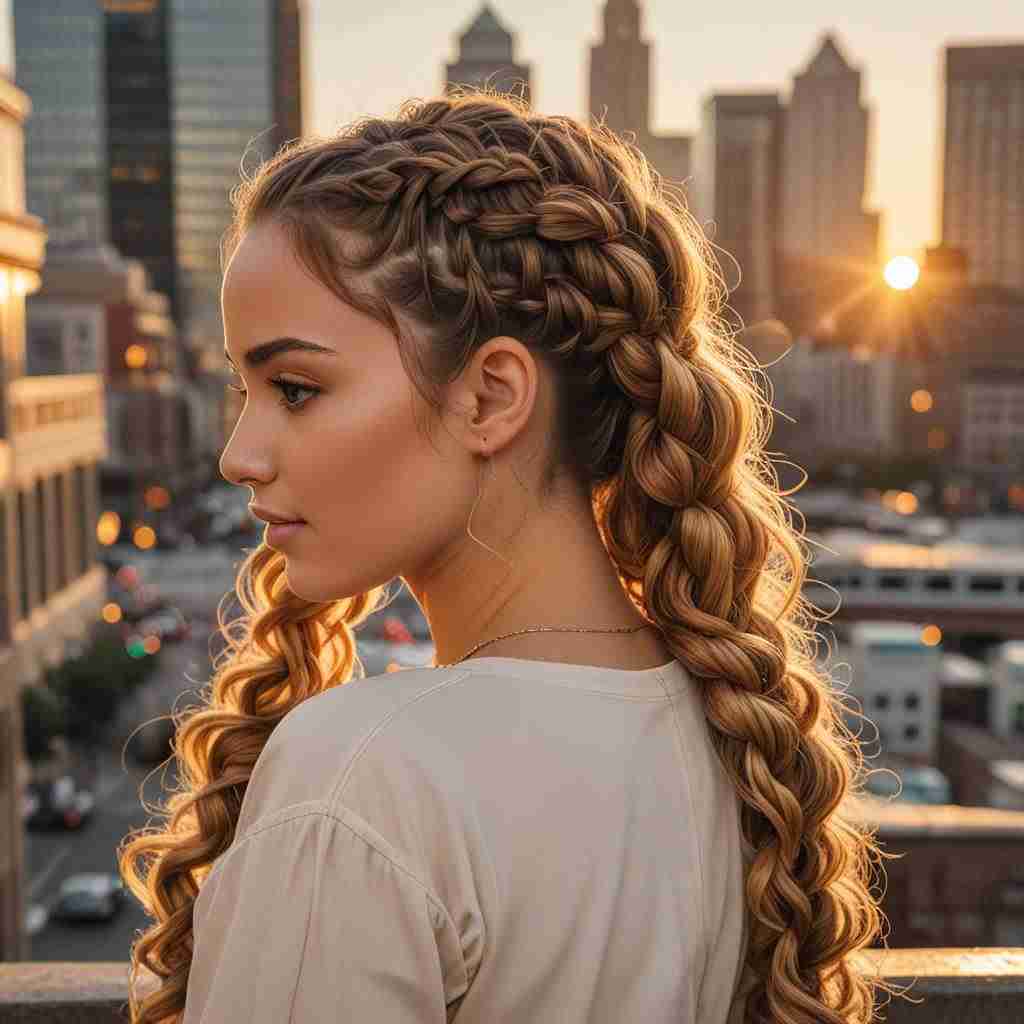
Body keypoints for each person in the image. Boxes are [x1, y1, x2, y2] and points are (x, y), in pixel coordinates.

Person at [117, 90, 903, 1023]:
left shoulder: (365, 779)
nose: (237, 455)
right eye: (242, 390)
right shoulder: (730, 744)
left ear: (492, 396)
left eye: (294, 388)